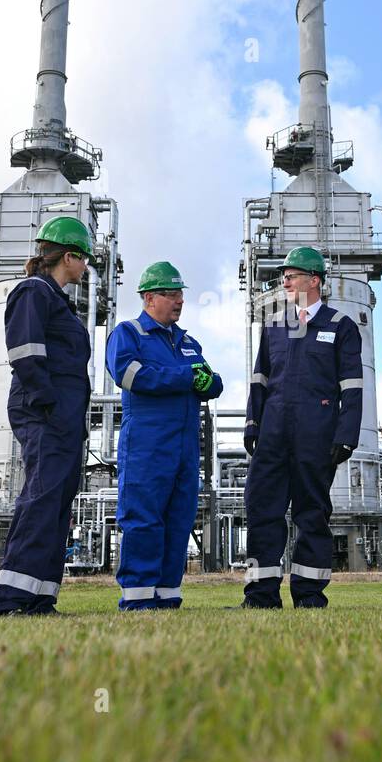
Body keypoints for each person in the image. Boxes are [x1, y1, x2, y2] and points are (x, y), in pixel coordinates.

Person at [238, 246, 363, 608]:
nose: (284, 281)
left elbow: (352, 388)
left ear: (315, 280)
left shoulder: (340, 326)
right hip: (273, 434)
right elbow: (259, 380)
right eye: (284, 276)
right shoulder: (275, 325)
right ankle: (261, 595)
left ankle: (309, 595)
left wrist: (346, 436)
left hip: (316, 434)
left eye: (291, 275)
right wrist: (252, 423)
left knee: (312, 513)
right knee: (262, 508)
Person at [0, 217, 93, 617]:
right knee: (41, 499)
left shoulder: (57, 299)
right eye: (83, 260)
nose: (86, 268)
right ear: (68, 256)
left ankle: (40, 597)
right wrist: (47, 403)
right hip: (44, 413)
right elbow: (25, 350)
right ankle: (11, 599)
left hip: (63, 417)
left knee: (57, 505)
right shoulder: (33, 291)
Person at [106, 261, 223, 610]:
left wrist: (208, 382)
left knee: (178, 522)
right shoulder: (128, 334)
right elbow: (130, 375)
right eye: (170, 294)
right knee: (143, 520)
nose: (179, 301)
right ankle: (138, 600)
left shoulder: (188, 342)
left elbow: (212, 380)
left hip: (185, 450)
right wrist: (186, 377)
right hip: (146, 448)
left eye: (180, 294)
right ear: (148, 297)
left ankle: (168, 598)